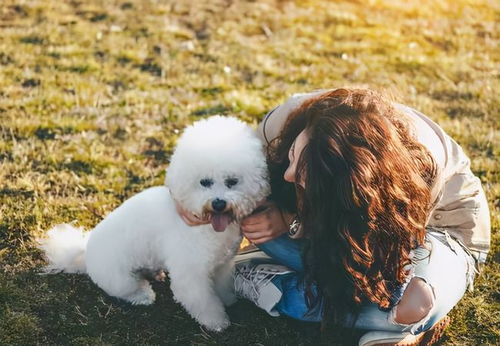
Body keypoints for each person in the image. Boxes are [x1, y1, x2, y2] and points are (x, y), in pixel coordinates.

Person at [177, 88, 490, 345]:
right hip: (329, 232)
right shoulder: (285, 121)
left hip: (432, 230)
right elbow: (228, 172)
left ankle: (409, 327)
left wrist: (293, 223)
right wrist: (184, 200)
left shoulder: (414, 170)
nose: (286, 176)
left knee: (414, 304)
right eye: (293, 158)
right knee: (310, 294)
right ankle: (257, 276)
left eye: (304, 177)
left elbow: (369, 250)